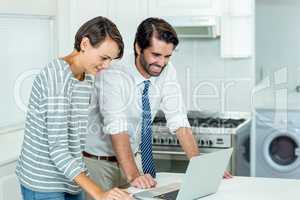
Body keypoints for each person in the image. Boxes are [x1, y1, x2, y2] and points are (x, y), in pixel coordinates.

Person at [85, 17, 221, 194]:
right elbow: (117, 126)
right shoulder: (112, 73)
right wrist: (134, 176)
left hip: (131, 159)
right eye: (156, 55)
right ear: (138, 48)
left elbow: (178, 119)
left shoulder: (167, 70)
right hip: (99, 164)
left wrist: (201, 167)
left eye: (167, 56)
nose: (161, 63)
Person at [15, 16, 132, 200]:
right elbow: (58, 149)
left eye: (111, 60)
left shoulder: (86, 78)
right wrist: (99, 193)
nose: (106, 65)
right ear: (84, 43)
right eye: (104, 57)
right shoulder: (57, 75)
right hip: (43, 182)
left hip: (70, 181)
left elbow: (75, 140)